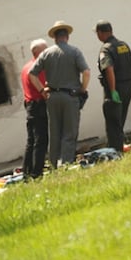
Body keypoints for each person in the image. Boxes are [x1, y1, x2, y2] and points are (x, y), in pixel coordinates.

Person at [29, 22, 91, 167]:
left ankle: (53, 165)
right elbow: (86, 72)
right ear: (67, 37)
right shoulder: (75, 51)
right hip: (70, 96)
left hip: (52, 97)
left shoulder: (46, 53)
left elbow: (32, 74)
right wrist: (82, 88)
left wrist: (41, 90)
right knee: (69, 132)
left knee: (55, 132)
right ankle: (66, 164)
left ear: (55, 38)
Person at [95, 20, 131, 152]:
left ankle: (115, 151)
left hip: (115, 89)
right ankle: (118, 147)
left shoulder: (106, 49)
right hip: (128, 87)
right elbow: (130, 68)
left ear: (101, 33)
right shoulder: (123, 45)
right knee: (120, 119)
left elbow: (109, 69)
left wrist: (113, 90)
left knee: (113, 122)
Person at [21, 38, 49, 180]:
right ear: (37, 52)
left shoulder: (26, 67)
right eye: (45, 50)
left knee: (31, 140)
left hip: (30, 104)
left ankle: (27, 172)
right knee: (41, 140)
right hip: (38, 104)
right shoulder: (38, 67)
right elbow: (44, 86)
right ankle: (36, 173)